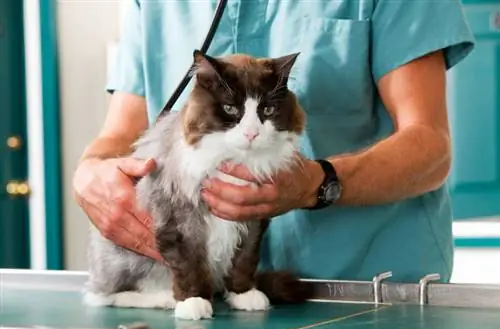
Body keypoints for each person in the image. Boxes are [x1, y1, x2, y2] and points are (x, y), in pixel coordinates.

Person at [73, 0, 475, 283]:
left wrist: (317, 183)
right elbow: (121, 137)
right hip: (211, 296)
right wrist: (89, 174)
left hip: (367, 287)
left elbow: (430, 147)